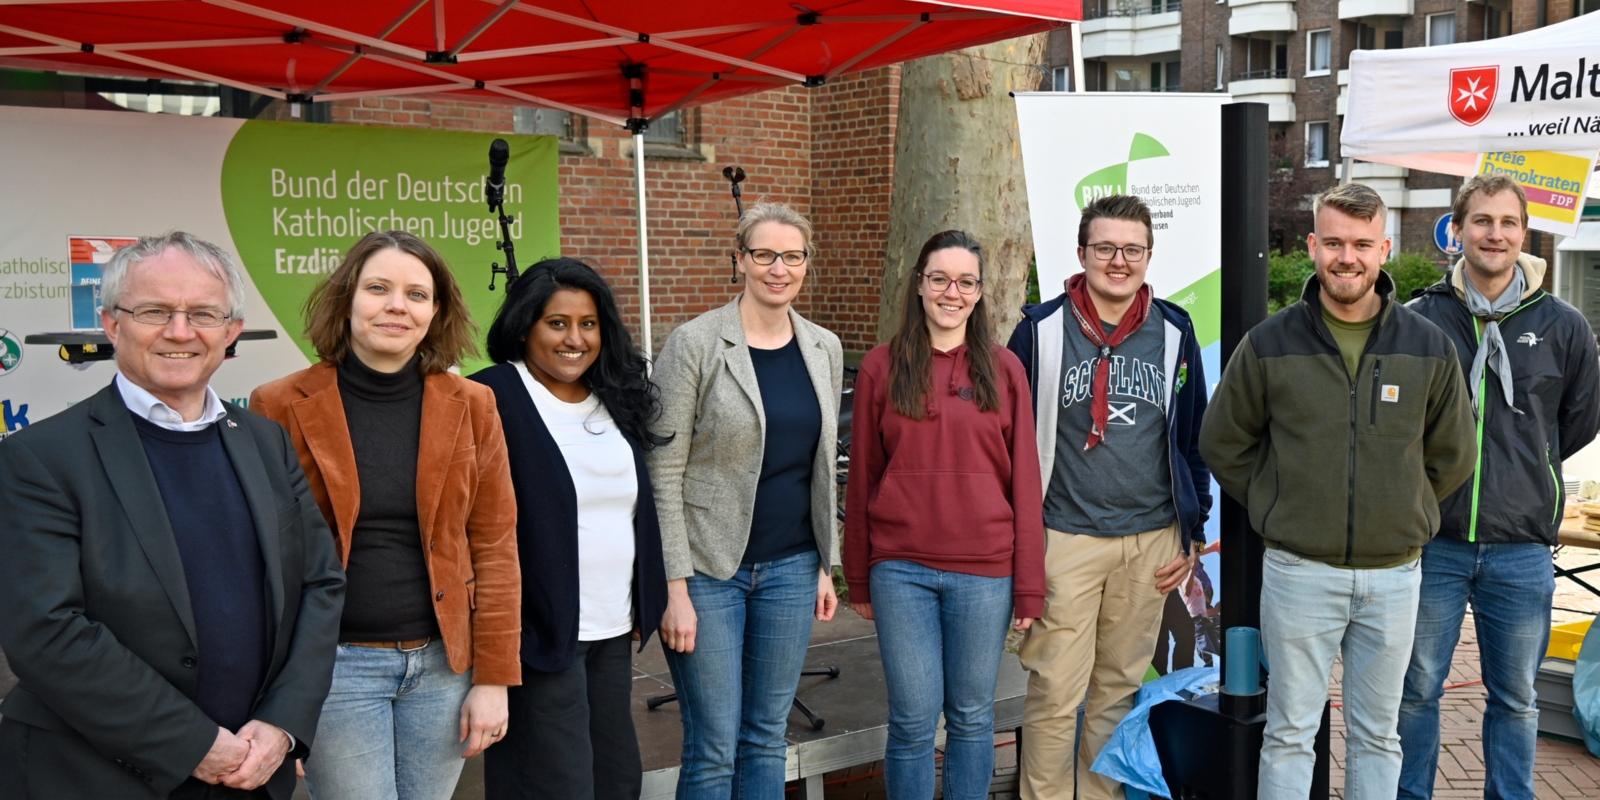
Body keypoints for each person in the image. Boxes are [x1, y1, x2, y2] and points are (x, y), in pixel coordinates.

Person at [0, 232, 345, 799]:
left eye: (203, 313)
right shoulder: (40, 458)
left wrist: (283, 726)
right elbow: (44, 629)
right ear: (112, 324)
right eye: (154, 311)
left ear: (230, 332)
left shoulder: (266, 443)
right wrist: (192, 744)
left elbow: (320, 585)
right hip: (94, 775)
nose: (180, 332)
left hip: (250, 770)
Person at [1200, 182, 1477, 799]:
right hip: (1300, 573)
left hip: (1394, 577)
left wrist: (1409, 512)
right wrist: (1279, 503)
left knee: (1378, 734)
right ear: (1312, 247)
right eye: (1332, 243)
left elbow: (1454, 452)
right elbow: (1223, 442)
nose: (1345, 257)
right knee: (1292, 731)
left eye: (1359, 243)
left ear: (1383, 248)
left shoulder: (1428, 346)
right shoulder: (1269, 343)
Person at [250, 230, 520, 800]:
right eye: (378, 288)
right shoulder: (278, 405)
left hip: (444, 667)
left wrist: (493, 677)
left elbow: (495, 545)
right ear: (347, 298)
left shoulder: (472, 404)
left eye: (416, 294)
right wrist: (276, 698)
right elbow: (261, 560)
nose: (397, 305)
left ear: (435, 311)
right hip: (334, 667)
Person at [1398, 175, 1600, 799]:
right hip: (1435, 541)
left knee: (1516, 698)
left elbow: (1579, 418)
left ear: (1525, 232)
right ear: (1456, 230)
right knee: (1418, 691)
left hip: (1521, 547)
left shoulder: (1564, 326)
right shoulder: (1419, 320)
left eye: (1508, 223)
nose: (1495, 234)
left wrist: (1526, 469)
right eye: (1482, 221)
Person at [1006, 194, 1212, 800]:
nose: (1118, 261)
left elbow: (1193, 436)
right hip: (1064, 536)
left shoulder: (1174, 329)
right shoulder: (1039, 330)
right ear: (1081, 253)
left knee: (1117, 693)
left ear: (1149, 255)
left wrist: (1191, 532)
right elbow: (1010, 441)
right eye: (1105, 248)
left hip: (1149, 541)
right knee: (1053, 693)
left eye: (1132, 250)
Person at [648, 201, 843, 799]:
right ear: (739, 260)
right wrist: (672, 587)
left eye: (792, 256)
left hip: (790, 567)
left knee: (764, 737)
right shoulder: (695, 344)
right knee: (712, 746)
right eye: (763, 254)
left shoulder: (824, 347)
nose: (777, 268)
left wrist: (822, 565)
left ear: (807, 263)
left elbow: (819, 467)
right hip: (708, 571)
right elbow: (663, 470)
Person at [843, 230, 1044, 799]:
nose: (951, 292)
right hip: (901, 570)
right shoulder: (883, 367)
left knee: (973, 717)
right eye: (939, 279)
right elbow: (863, 480)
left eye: (965, 282)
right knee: (911, 719)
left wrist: (1029, 586)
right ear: (919, 285)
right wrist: (858, 573)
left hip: (985, 573)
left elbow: (1025, 482)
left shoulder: (1004, 370)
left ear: (980, 293)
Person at [470, 258, 670, 800]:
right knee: (556, 784)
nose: (574, 339)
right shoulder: (490, 396)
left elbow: (634, 508)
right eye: (556, 323)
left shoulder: (613, 396)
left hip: (611, 628)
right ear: (525, 325)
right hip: (538, 631)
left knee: (616, 778)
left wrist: (649, 595)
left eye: (588, 324)